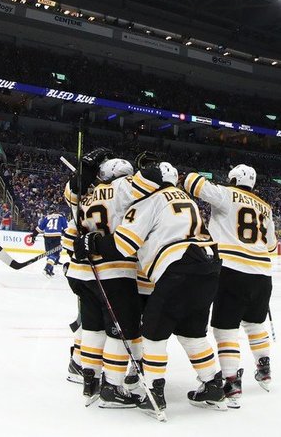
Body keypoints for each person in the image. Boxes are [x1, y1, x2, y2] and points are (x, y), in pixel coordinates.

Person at [77, 161, 225, 418]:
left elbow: (124, 245)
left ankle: (154, 392)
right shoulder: (186, 198)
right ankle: (213, 384)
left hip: (178, 269)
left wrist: (93, 243)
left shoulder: (149, 201)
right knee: (192, 333)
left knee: (152, 332)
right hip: (209, 267)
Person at [184, 164, 277, 408]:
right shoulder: (266, 208)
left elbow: (192, 183)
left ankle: (231, 383)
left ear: (233, 179)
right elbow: (270, 246)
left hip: (231, 271)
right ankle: (264, 367)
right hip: (262, 274)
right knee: (255, 323)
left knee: (225, 329)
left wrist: (195, 173)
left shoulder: (226, 194)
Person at [62, 148, 141, 408]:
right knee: (120, 331)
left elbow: (69, 194)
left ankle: (90, 383)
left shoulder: (85, 195)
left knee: (93, 329)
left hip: (84, 273)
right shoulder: (124, 186)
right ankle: (113, 388)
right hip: (115, 272)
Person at [37, 208, 69, 277]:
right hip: (56, 237)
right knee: (55, 254)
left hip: (46, 237)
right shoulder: (61, 217)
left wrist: (33, 235)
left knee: (50, 254)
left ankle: (50, 270)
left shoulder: (47, 217)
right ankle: (47, 268)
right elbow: (66, 229)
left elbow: (39, 228)